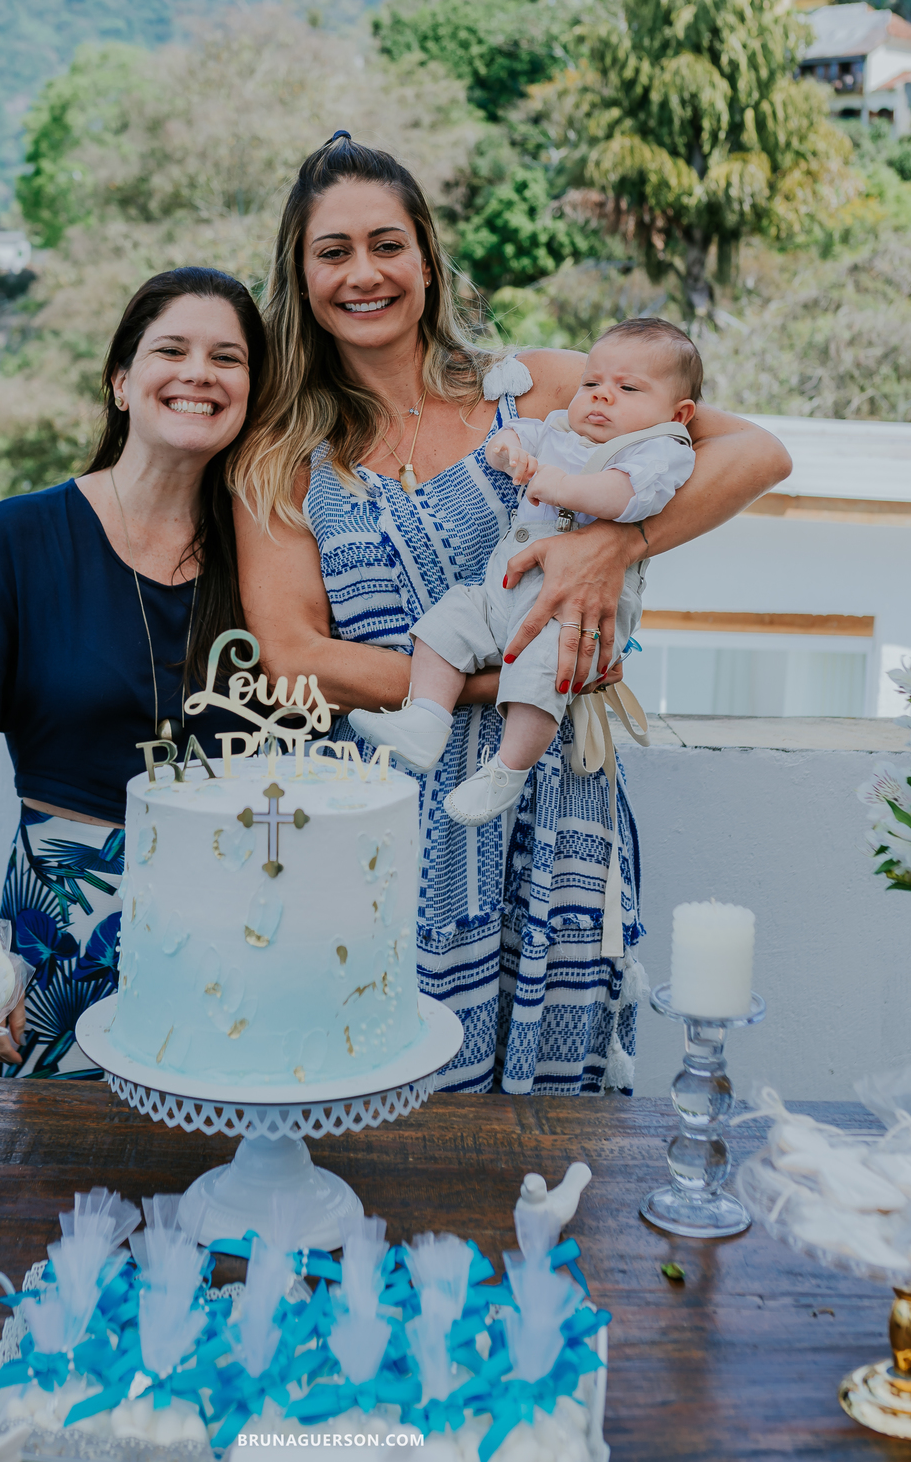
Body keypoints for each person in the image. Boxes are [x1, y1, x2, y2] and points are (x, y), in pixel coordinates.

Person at [232, 132, 791, 1095]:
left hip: (556, 801)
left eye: (387, 244)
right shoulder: (281, 453)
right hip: (388, 815)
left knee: (552, 1113)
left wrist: (617, 544)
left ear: (427, 256)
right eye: (333, 252)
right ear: (301, 275)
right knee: (387, 1106)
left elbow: (757, 453)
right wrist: (495, 681)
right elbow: (294, 657)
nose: (364, 273)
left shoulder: (540, 388)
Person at [0, 268, 264, 1077]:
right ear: (122, 381)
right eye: (172, 349)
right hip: (60, 932)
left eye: (227, 358)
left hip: (239, 933)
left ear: (251, 391)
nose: (199, 373)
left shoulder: (272, 560)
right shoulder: (16, 538)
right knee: (50, 1155)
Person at [349, 319, 698, 826]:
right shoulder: (561, 430)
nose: (601, 397)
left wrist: (557, 485)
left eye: (627, 389)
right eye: (591, 383)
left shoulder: (659, 452)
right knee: (448, 623)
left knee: (542, 672)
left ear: (678, 413)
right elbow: (515, 436)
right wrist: (508, 448)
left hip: (569, 611)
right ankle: (426, 717)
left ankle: (506, 771)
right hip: (504, 587)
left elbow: (622, 497)